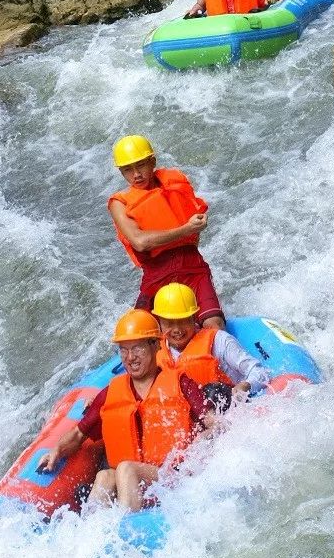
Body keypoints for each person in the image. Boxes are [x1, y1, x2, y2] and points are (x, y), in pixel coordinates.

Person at [37, 310, 215, 511]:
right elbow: (79, 434)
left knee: (126, 468)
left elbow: (214, 424)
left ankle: (126, 528)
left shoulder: (181, 384)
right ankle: (95, 533)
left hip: (173, 477)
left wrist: (196, 452)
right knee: (105, 476)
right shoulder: (111, 393)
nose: (131, 358)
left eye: (137, 348)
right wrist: (57, 451)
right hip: (131, 485)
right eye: (124, 350)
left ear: (155, 345)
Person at [108, 134, 225, 329]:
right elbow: (140, 242)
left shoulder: (176, 183)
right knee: (141, 334)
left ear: (152, 161)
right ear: (121, 172)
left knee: (214, 324)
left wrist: (196, 225)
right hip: (156, 276)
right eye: (128, 169)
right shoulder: (119, 203)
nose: (136, 174)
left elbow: (194, 233)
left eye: (141, 165)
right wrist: (185, 229)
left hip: (192, 267)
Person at [153, 283, 272, 397]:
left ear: (194, 318)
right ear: (159, 323)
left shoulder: (219, 341)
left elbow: (260, 372)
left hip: (226, 405)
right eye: (169, 323)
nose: (177, 330)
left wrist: (245, 386)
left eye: (183, 321)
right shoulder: (154, 352)